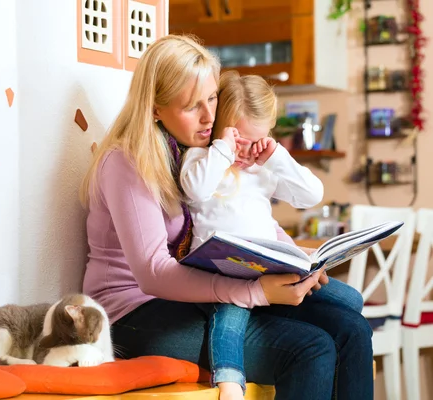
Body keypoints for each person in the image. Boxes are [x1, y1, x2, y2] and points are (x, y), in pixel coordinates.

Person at [79, 34, 373, 400]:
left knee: (351, 329)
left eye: (212, 98)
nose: (208, 117)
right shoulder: (128, 163)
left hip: (190, 296)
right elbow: (153, 273)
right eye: (191, 106)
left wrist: (297, 258)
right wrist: (254, 292)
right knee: (310, 347)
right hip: (132, 315)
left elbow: (233, 214)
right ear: (155, 108)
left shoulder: (193, 148)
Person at [175, 71, 328, 398]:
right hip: (221, 270)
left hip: (265, 267)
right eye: (239, 139)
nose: (246, 152)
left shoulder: (264, 168)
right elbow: (196, 189)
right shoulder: (203, 160)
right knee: (230, 313)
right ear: (222, 131)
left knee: (348, 299)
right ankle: (230, 382)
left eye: (256, 141)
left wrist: (276, 156)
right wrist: (223, 150)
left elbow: (311, 195)